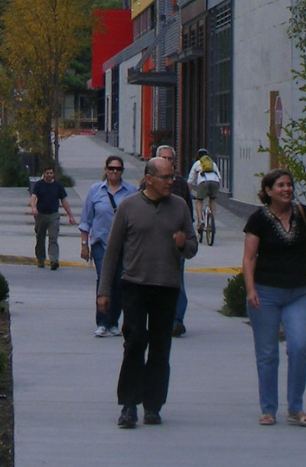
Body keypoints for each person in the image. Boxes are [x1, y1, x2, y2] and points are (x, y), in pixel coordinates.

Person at [98, 156, 198, 428]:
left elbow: (192, 246)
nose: (171, 182)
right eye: (166, 177)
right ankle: (129, 405)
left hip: (166, 287)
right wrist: (104, 290)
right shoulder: (129, 207)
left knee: (160, 348)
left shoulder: (179, 207)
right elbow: (113, 252)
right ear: (149, 179)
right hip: (134, 285)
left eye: (173, 176)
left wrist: (182, 244)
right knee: (134, 343)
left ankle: (153, 405)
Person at [242, 167, 306, 428]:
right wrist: (250, 290)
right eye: (280, 185)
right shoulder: (258, 219)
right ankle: (268, 409)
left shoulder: (302, 214)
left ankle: (296, 407)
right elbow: (249, 257)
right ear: (268, 191)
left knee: (300, 347)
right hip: (265, 294)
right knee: (268, 353)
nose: (287, 189)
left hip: (297, 292)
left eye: (289, 185)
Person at [80, 156, 137, 336]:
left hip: (123, 245)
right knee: (104, 280)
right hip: (101, 244)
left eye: (118, 169)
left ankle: (113, 322)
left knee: (119, 283)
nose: (114, 172)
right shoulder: (96, 191)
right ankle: (102, 321)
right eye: (111, 169)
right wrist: (84, 245)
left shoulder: (130, 192)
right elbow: (86, 220)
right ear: (105, 170)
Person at [156, 144, 193, 336]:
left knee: (178, 282)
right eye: (164, 158)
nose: (167, 162)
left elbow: (189, 216)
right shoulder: (148, 183)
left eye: (170, 159)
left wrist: (186, 239)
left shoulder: (181, 184)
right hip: (153, 243)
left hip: (176, 243)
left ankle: (176, 320)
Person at [29, 166, 75, 270]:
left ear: (53, 174)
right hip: (41, 215)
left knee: (53, 238)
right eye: (47, 173)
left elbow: (64, 201)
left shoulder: (58, 186)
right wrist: (33, 207)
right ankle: (41, 259)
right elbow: (33, 197)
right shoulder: (39, 185)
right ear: (44, 174)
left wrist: (70, 215)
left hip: (53, 215)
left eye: (51, 173)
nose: (49, 175)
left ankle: (54, 260)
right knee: (40, 238)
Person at [186, 148, 222, 230]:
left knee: (199, 201)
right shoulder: (213, 164)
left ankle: (200, 221)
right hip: (215, 182)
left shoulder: (197, 163)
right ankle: (212, 221)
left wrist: (188, 193)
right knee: (212, 200)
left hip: (203, 182)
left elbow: (190, 180)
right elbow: (219, 178)